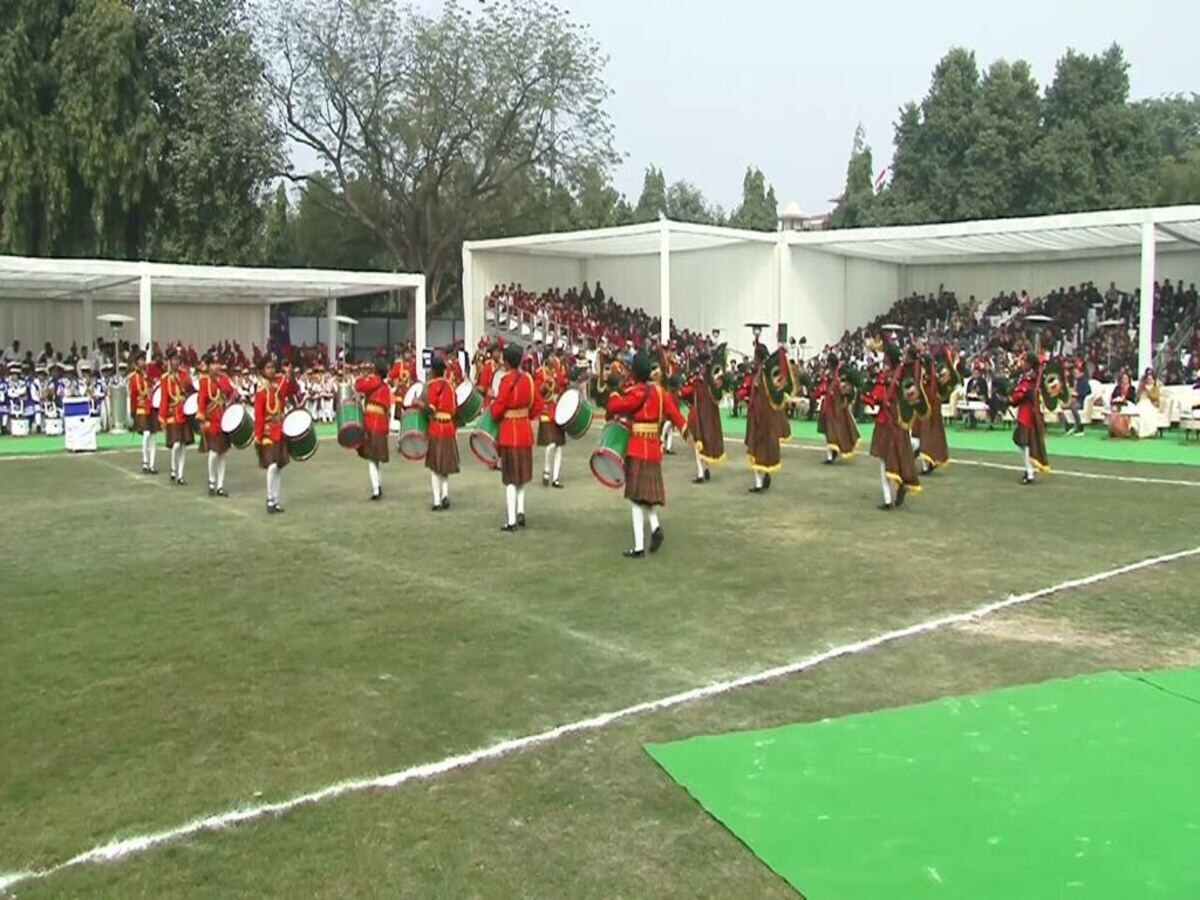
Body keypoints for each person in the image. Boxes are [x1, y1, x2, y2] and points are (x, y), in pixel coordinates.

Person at [604, 349, 688, 557]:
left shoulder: (636, 392)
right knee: (646, 497)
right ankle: (656, 528)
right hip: (653, 449)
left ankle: (639, 546)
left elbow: (616, 406)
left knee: (635, 498)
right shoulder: (662, 394)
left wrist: (614, 391)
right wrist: (688, 432)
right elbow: (676, 416)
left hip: (637, 448)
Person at [490, 344, 543, 531]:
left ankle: (511, 520)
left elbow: (498, 408)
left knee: (510, 478)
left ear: (506, 361)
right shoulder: (529, 379)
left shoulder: (506, 380)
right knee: (521, 476)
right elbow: (538, 404)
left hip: (509, 434)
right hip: (524, 432)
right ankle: (521, 511)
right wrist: (525, 416)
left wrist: (493, 409)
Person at [865, 343, 921, 509]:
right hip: (897, 420)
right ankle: (900, 484)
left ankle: (888, 499)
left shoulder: (891, 375)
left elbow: (877, 397)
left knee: (884, 459)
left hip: (887, 421)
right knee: (899, 454)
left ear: (889, 357)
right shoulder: (899, 375)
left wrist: (868, 397)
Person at [253, 357, 297, 513]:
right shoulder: (261, 391)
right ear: (262, 371)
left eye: (273, 367)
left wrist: (290, 376)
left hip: (279, 430)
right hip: (266, 432)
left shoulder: (280, 384)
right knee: (271, 466)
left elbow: (294, 390)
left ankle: (276, 500)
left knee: (278, 467)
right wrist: (257, 436)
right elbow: (258, 415)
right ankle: (269, 498)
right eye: (268, 368)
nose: (271, 370)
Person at [745, 345, 787, 493]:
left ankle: (758, 483)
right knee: (766, 448)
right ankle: (766, 475)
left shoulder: (762, 375)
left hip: (760, 417)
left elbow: (759, 398)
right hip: (767, 417)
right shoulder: (766, 373)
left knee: (757, 450)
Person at [678, 349, 726, 483]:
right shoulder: (712, 376)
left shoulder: (698, 378)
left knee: (697, 444)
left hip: (698, 414)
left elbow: (687, 391)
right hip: (710, 415)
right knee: (705, 442)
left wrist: (681, 392)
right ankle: (705, 469)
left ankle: (701, 473)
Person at [197, 354, 238, 497]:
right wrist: (201, 419)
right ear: (208, 366)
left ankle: (220, 485)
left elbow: (232, 392)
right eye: (213, 363)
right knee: (214, 453)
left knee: (222, 454)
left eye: (218, 363)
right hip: (212, 421)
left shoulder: (224, 379)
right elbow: (201, 400)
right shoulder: (204, 382)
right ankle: (211, 481)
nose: (217, 366)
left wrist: (232, 397)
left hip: (223, 421)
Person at [424, 356, 460, 511]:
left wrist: (419, 404)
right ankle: (445, 495)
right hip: (449, 428)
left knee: (435, 467)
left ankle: (437, 501)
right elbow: (455, 408)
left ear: (432, 371)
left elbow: (430, 409)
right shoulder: (451, 387)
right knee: (445, 466)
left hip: (436, 427)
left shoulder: (431, 386)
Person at [354, 355, 392, 501]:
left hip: (371, 422)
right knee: (375, 459)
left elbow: (358, 385)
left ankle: (376, 489)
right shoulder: (385, 387)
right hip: (381, 424)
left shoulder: (373, 381)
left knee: (371, 458)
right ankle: (378, 485)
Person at [1010, 351, 1050, 484]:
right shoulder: (1029, 377)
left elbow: (1020, 394)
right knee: (1022, 442)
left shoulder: (1032, 379)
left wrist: (1012, 397)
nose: (1023, 364)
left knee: (1024, 443)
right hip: (1026, 412)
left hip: (1027, 414)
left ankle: (1029, 472)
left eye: (1025, 361)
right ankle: (1029, 470)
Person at [158, 348, 195, 485]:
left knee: (184, 445)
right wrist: (162, 417)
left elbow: (191, 391)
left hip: (184, 412)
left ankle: (180, 474)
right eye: (174, 359)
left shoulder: (184, 375)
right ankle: (173, 469)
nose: (176, 362)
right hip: (173, 414)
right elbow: (164, 400)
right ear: (169, 361)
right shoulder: (165, 379)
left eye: (178, 359)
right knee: (176, 445)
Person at [817, 352, 860, 464]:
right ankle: (831, 453)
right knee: (829, 430)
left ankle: (833, 453)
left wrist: (846, 401)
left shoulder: (841, 372)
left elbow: (847, 388)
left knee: (839, 429)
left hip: (837, 406)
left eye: (828, 362)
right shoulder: (832, 373)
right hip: (830, 404)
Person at [535, 352, 568, 488]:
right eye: (551, 356)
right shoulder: (540, 373)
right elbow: (538, 391)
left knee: (559, 445)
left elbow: (562, 386)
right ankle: (546, 471)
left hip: (558, 411)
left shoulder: (558, 372)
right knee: (551, 444)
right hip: (546, 411)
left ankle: (556, 478)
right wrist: (545, 386)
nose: (553, 359)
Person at [1063, 362, 1090, 435]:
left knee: (1074, 407)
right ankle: (1069, 426)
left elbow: (1088, 391)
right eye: (1074, 373)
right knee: (1064, 407)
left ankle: (1079, 427)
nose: (1075, 374)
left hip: (1080, 400)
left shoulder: (1084, 381)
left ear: (1081, 373)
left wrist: (1078, 394)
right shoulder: (1075, 381)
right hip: (1073, 399)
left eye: (1076, 373)